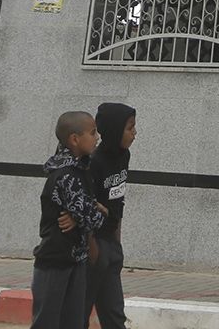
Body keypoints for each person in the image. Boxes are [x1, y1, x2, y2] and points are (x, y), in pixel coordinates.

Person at [32, 111, 107, 329]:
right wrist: (101, 212)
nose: (97, 137)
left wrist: (83, 215)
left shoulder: (80, 169)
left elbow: (83, 212)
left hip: (75, 258)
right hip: (56, 261)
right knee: (48, 322)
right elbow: (93, 218)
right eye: (93, 133)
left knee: (73, 321)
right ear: (74, 139)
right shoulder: (66, 175)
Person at [84, 102, 136, 329]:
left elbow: (118, 201)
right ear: (115, 130)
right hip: (91, 247)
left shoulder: (124, 156)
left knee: (114, 315)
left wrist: (117, 243)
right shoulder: (93, 163)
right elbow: (84, 206)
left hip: (111, 246)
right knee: (80, 311)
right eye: (130, 128)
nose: (135, 133)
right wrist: (93, 249)